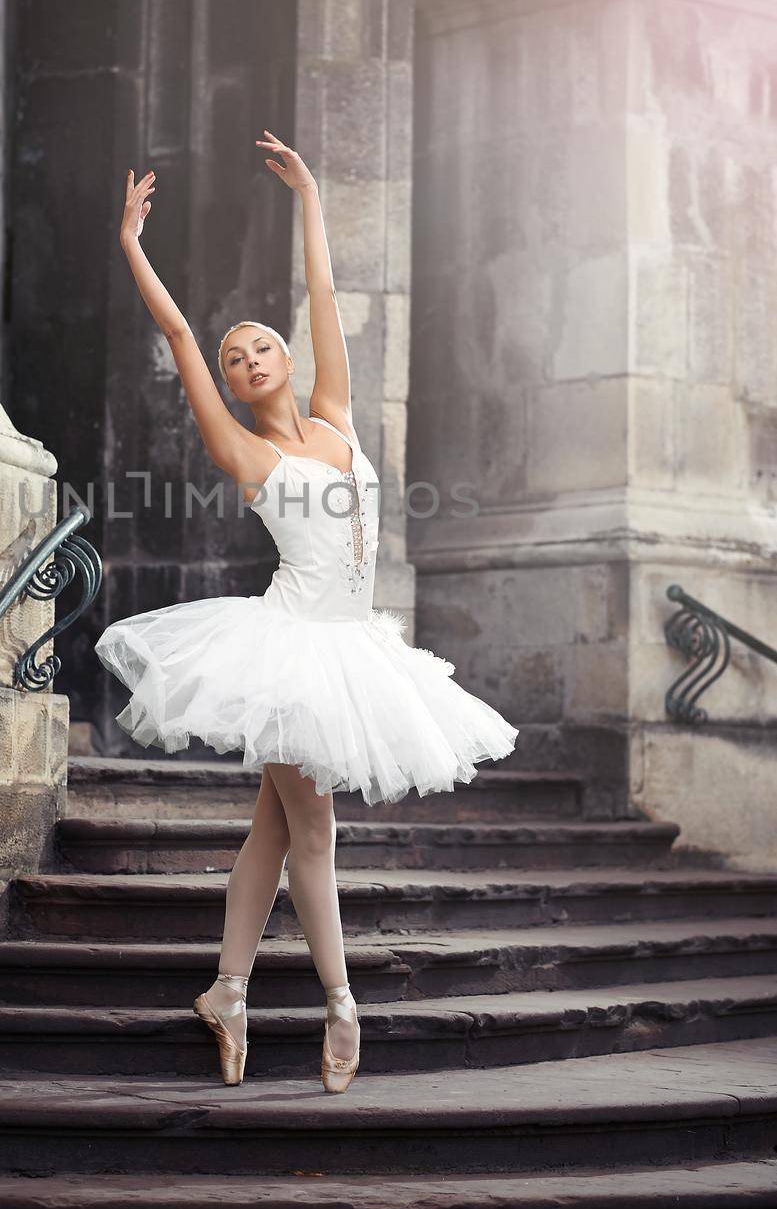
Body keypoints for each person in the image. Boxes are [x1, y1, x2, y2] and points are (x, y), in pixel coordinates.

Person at [94, 130, 519, 1094]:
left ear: (286, 360)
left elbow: (326, 303)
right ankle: (339, 1004)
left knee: (274, 833)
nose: (246, 359)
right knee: (314, 832)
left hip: (353, 648)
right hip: (288, 651)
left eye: (259, 347)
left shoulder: (335, 417)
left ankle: (229, 992)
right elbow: (175, 339)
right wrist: (131, 243)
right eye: (235, 356)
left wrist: (312, 200)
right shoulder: (248, 458)